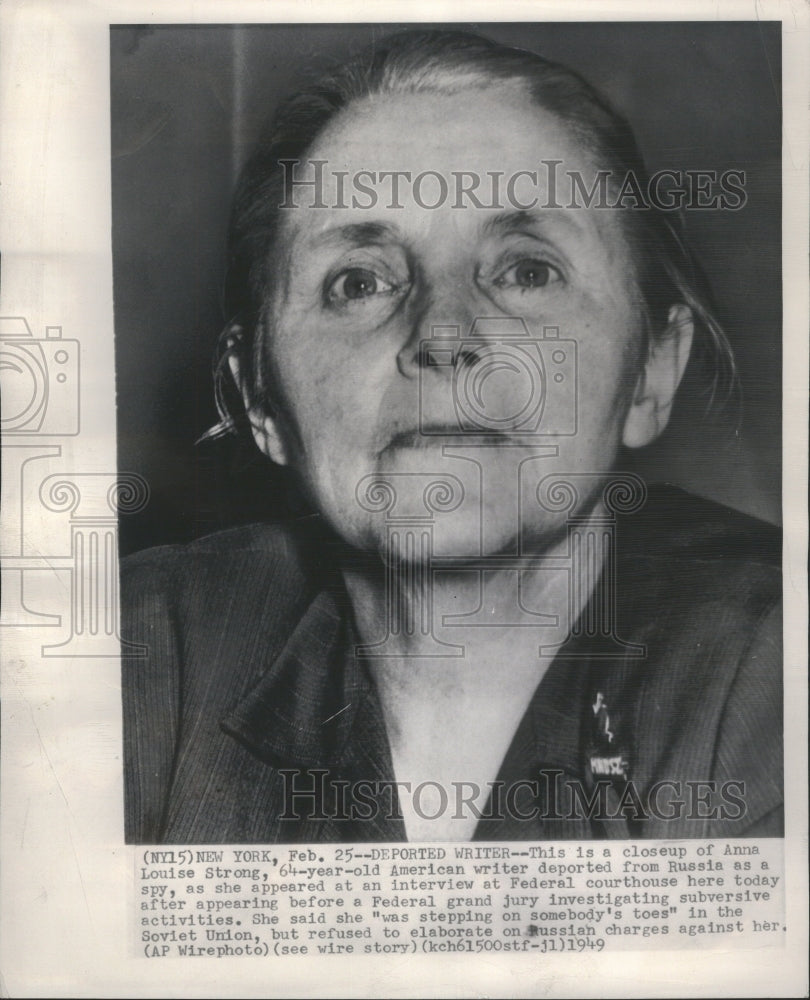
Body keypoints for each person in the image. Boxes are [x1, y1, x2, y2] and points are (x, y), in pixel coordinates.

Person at [121, 28, 782, 844]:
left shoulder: (775, 671)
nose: (442, 334)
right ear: (259, 395)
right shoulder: (141, 659)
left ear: (652, 368)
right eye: (358, 282)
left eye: (525, 271)